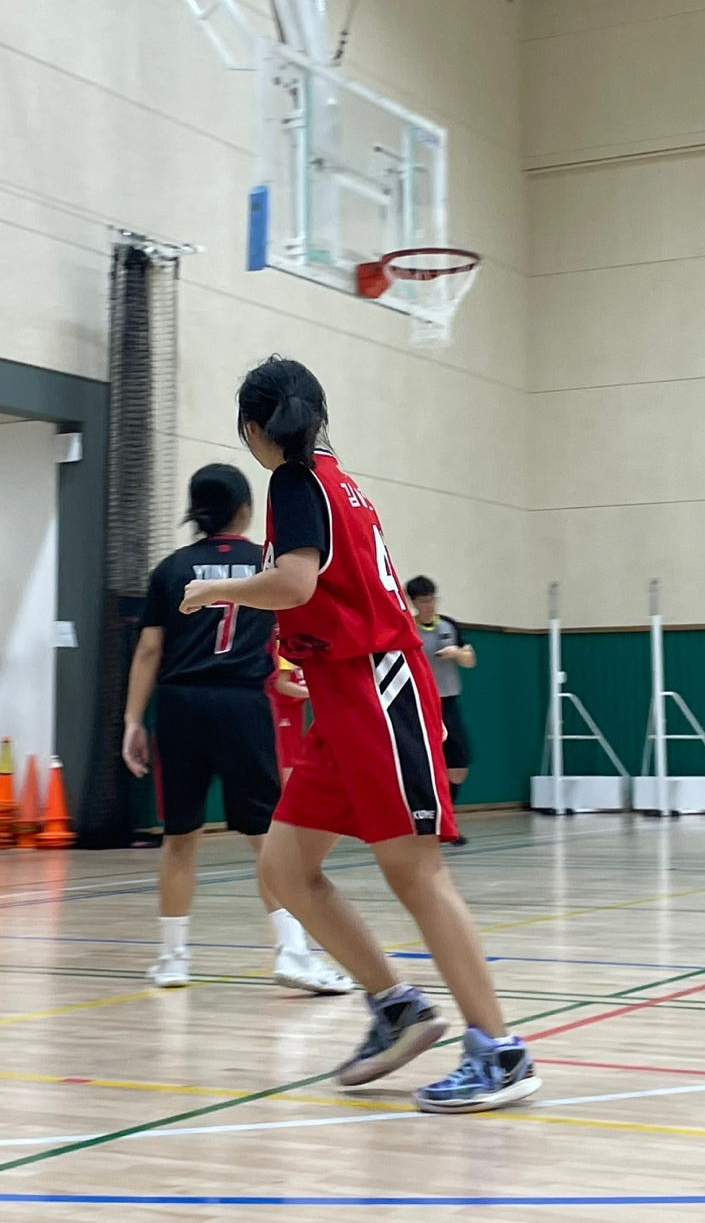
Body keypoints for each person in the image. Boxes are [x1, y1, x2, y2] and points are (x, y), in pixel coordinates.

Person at [180, 357, 540, 1114]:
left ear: (253, 428)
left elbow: (295, 583)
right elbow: (326, 594)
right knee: (285, 868)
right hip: (342, 695)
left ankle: (499, 1052)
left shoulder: (296, 482)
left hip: (377, 690)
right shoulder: (333, 479)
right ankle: (397, 1008)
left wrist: (217, 588)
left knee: (417, 874)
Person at [122, 462, 351, 995]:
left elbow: (149, 649)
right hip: (243, 705)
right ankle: (292, 952)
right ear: (246, 510)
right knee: (266, 838)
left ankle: (173, 960)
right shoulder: (266, 565)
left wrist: (133, 719)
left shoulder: (171, 568)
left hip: (179, 707)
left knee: (180, 838)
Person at [405, 576, 476, 847]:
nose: (429, 605)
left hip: (449, 703)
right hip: (419, 705)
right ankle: (429, 823)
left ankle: (447, 818)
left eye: (432, 599)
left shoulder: (448, 625)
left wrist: (456, 652)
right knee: (422, 766)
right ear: (413, 602)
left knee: (457, 769)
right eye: (423, 601)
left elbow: (470, 659)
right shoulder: (407, 627)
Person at [268, 653, 310, 784]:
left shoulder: (300, 648)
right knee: (286, 759)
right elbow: (281, 684)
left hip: (294, 708)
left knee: (295, 755)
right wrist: (314, 693)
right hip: (280, 710)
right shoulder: (283, 647)